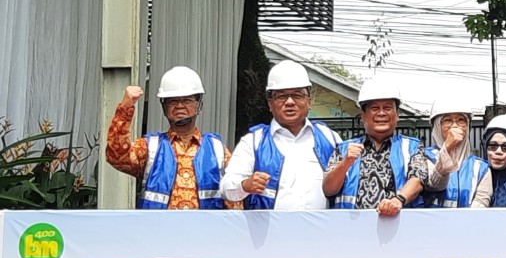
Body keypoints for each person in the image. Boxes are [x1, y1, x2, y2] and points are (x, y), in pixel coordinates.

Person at [105, 66, 233, 209]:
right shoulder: (150, 147)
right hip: (159, 230)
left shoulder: (217, 150)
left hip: (204, 230)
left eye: (187, 100)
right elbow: (116, 157)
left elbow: (234, 196)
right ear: (164, 107)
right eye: (172, 101)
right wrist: (125, 108)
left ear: (200, 105)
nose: (179, 106)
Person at [221, 60, 342, 210]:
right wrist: (245, 186)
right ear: (270, 103)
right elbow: (226, 188)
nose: (290, 102)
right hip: (268, 233)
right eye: (281, 96)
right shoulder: (253, 142)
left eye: (297, 95)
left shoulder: (330, 138)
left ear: (309, 100)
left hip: (322, 231)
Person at [323, 75, 427, 214]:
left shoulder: (411, 147)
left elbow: (418, 180)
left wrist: (397, 201)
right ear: (363, 116)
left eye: (388, 108)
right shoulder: (343, 149)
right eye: (375, 108)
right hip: (352, 229)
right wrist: (346, 163)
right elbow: (328, 189)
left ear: (397, 115)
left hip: (399, 229)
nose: (381, 113)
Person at [424, 96, 491, 207]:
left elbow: (481, 206)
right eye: (447, 120)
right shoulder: (424, 157)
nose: (455, 125)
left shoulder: (480, 168)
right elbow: (435, 184)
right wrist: (447, 149)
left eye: (461, 120)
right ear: (437, 125)